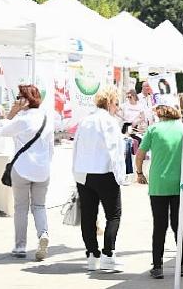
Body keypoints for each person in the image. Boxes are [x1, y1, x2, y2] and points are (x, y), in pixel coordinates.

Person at [135, 95, 183, 279]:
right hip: (181, 183)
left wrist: (139, 173)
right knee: (180, 225)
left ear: (160, 111)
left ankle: (157, 266)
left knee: (159, 225)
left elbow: (140, 154)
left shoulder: (153, 129)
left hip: (158, 184)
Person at [72, 86, 125, 272]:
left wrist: (75, 173)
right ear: (110, 103)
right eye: (116, 103)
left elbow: (76, 147)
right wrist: (120, 176)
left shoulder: (85, 121)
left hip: (84, 174)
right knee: (114, 214)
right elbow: (115, 151)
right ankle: (108, 254)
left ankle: (92, 255)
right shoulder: (109, 122)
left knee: (88, 215)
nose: (117, 107)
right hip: (105, 172)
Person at [0, 85, 53, 261]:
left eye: (19, 97)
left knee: (21, 207)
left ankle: (20, 246)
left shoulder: (22, 119)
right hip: (43, 169)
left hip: (22, 168)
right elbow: (51, 148)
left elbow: (2, 131)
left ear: (25, 100)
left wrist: (12, 112)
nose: (16, 100)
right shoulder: (46, 118)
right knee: (39, 206)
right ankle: (43, 234)